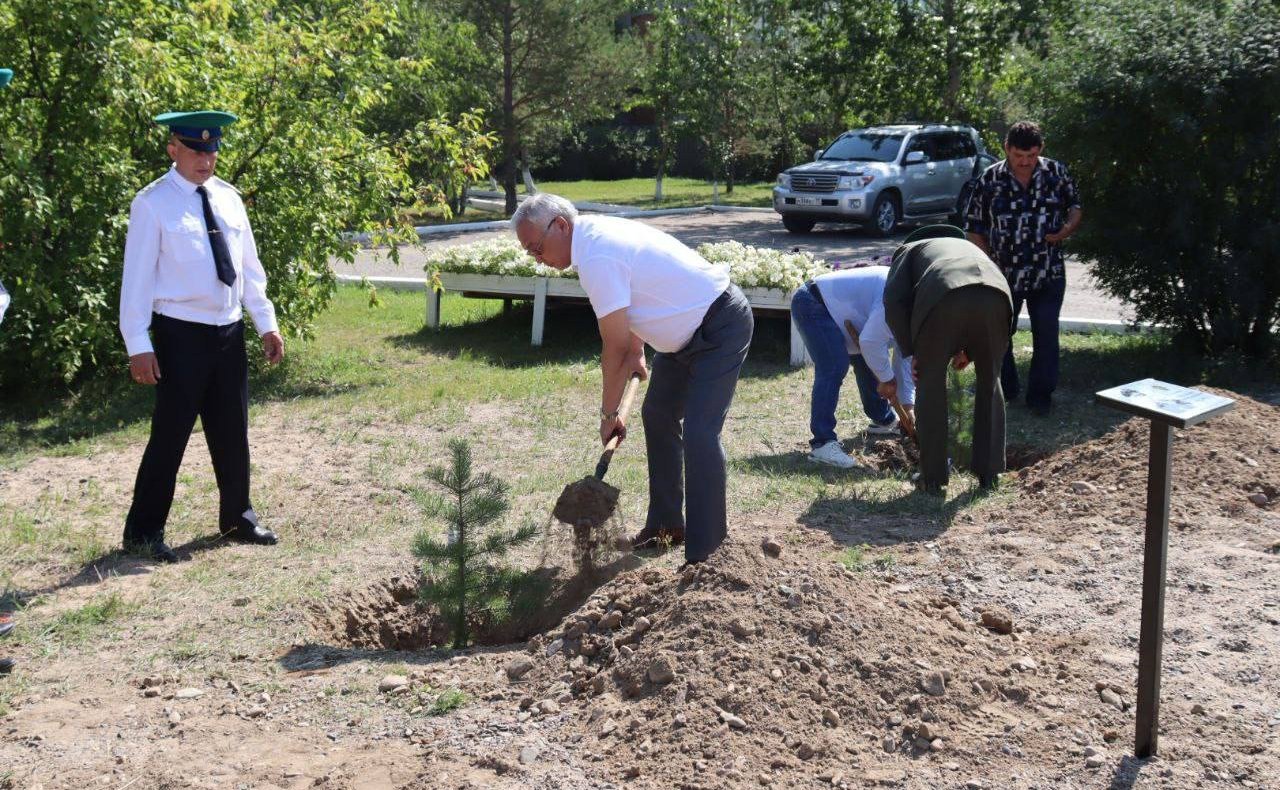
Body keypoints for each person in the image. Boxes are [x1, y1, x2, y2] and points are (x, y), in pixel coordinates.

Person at [511, 194, 754, 566]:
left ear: (560, 225)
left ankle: (708, 554)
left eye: (537, 248)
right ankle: (666, 526)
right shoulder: (592, 240)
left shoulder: (596, 254)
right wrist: (639, 347)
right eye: (531, 253)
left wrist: (609, 413)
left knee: (702, 433)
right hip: (681, 336)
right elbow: (633, 299)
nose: (538, 258)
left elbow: (615, 350)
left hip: (719, 324)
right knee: (657, 413)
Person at [119, 111, 284, 563]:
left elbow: (249, 269)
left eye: (211, 150)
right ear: (173, 149)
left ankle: (238, 516)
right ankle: (143, 531)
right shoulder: (152, 203)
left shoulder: (229, 199)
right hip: (179, 334)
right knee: (170, 435)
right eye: (195, 150)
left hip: (228, 332)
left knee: (232, 431)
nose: (205, 159)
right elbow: (135, 280)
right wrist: (138, 343)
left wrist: (265, 322)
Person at [883, 225, 1014, 493]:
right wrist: (973, 351)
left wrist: (912, 351)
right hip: (998, 292)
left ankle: (932, 477)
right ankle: (989, 474)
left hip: (943, 292)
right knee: (990, 380)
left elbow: (894, 303)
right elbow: (977, 298)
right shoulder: (968, 248)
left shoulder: (907, 251)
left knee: (930, 384)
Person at [964, 120, 1082, 416]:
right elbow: (974, 226)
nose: (1025, 163)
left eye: (1031, 156)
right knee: (999, 333)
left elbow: (1076, 206)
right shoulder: (990, 179)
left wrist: (1067, 229)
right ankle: (1006, 388)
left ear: (1040, 150)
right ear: (1007, 149)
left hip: (1048, 271)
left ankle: (1040, 397)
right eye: (1019, 156)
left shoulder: (1056, 172)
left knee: (1046, 334)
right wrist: (986, 262)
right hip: (1003, 274)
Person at [790, 266, 915, 468]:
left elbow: (904, 357)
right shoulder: (896, 299)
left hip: (846, 312)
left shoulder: (915, 309)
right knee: (833, 366)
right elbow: (870, 342)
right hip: (814, 303)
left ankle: (882, 421)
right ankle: (822, 442)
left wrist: (908, 406)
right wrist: (887, 381)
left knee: (869, 363)